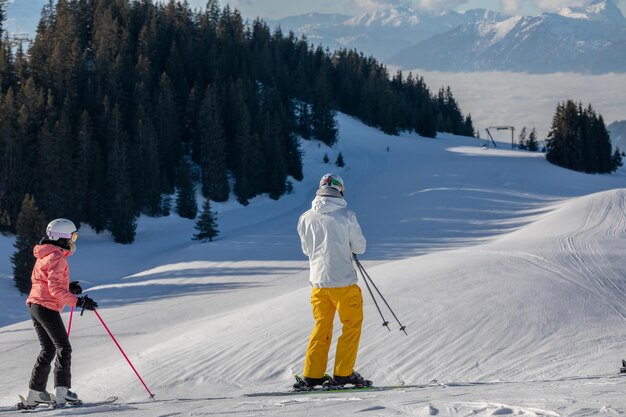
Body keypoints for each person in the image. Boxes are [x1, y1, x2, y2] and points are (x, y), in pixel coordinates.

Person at [295, 173, 369, 389]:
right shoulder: (347, 215)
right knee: (351, 326)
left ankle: (313, 375)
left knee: (321, 326)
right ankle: (343, 373)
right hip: (344, 282)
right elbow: (359, 247)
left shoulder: (306, 217)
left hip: (318, 284)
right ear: (340, 190)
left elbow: (306, 249)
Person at [24, 218, 98, 407]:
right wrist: (79, 301)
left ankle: (35, 393)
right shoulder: (57, 258)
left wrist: (69, 287)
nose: (74, 240)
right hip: (46, 306)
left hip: (36, 305)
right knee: (64, 347)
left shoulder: (45, 255)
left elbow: (46, 282)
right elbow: (55, 290)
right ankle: (62, 392)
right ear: (63, 237)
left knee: (48, 349)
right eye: (73, 236)